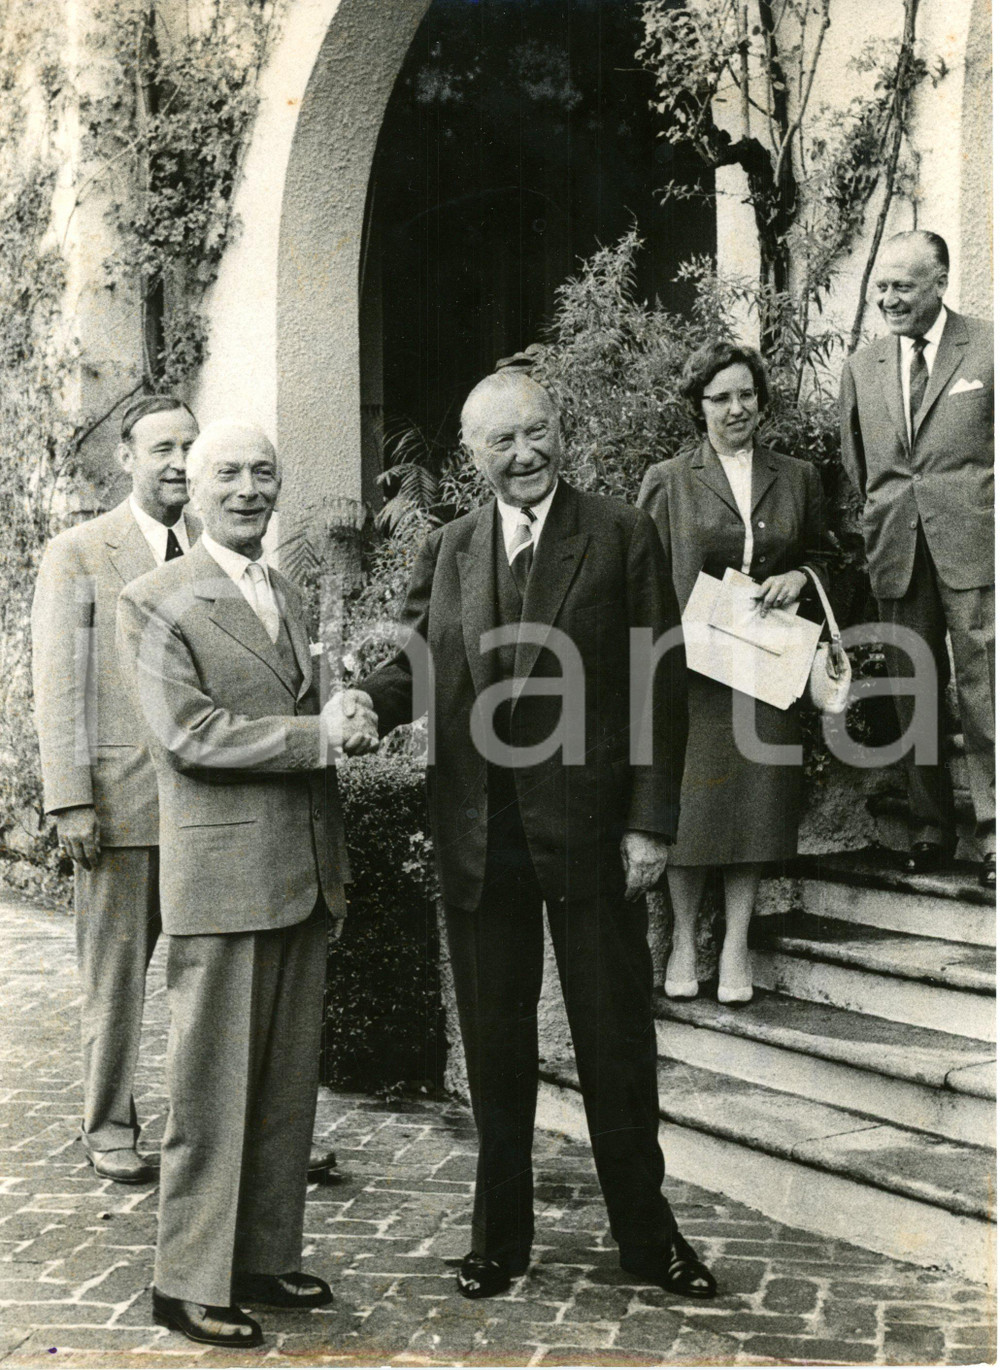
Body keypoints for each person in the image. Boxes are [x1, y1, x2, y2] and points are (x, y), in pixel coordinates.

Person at [354, 369, 715, 1302]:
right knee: (495, 1046)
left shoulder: (620, 534)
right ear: (473, 457)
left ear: (561, 432)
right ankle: (498, 1240)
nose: (525, 455)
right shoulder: (450, 548)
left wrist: (648, 822)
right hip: (481, 834)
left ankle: (648, 1237)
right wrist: (366, 700)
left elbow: (657, 686)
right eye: (502, 442)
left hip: (593, 836)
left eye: (537, 433)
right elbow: (416, 663)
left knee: (615, 1046)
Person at [116, 421, 377, 1349]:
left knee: (282, 1087)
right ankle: (185, 1280)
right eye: (226, 472)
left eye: (264, 472)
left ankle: (262, 1256)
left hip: (302, 873)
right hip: (223, 877)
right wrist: (318, 737)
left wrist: (343, 714)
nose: (246, 489)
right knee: (212, 1086)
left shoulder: (289, 593)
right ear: (191, 482)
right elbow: (190, 737)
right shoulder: (155, 599)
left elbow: (298, 707)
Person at [31, 394, 200, 1184]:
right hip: (123, 805)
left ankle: (216, 1131)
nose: (177, 463)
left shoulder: (215, 547)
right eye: (161, 448)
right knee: (117, 982)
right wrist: (69, 796)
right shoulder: (81, 551)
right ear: (126, 458)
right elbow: (59, 682)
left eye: (187, 448)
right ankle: (108, 1125)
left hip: (209, 811)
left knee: (212, 983)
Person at [638, 342, 837, 1004]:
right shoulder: (670, 478)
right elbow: (641, 576)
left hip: (767, 664)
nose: (736, 408)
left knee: (757, 804)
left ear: (761, 400)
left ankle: (736, 947)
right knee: (692, 805)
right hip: (693, 668)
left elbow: (829, 559)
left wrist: (797, 579)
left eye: (746, 394)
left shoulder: (797, 477)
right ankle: (684, 942)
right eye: (720, 397)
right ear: (699, 407)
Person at [840, 230, 995, 886]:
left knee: (988, 687)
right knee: (912, 686)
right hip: (898, 551)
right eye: (881, 286)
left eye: (902, 285)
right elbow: (858, 465)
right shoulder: (862, 366)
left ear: (939, 282)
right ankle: (932, 826)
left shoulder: (987, 347)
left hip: (976, 549)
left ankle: (994, 835)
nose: (888, 298)